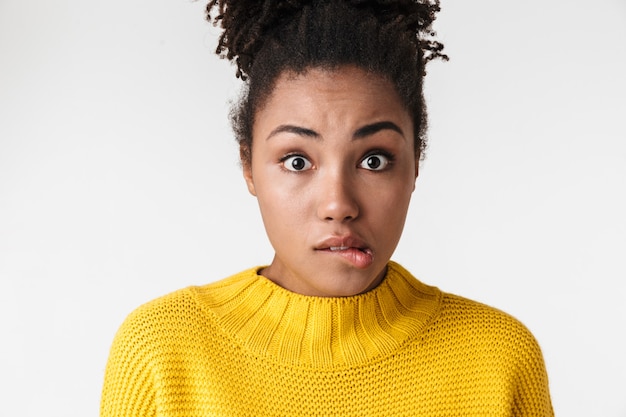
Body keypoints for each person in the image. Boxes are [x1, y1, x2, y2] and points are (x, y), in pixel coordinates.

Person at [100, 0, 553, 415]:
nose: (339, 205)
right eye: (297, 161)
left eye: (374, 160)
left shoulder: (498, 359)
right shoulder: (161, 352)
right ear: (249, 167)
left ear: (414, 165)